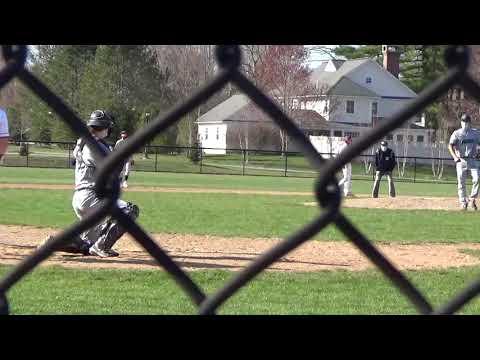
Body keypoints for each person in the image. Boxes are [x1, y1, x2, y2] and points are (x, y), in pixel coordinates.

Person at [40, 110, 140, 257]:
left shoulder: (85, 142)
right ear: (105, 127)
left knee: (87, 245)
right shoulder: (94, 145)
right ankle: (101, 247)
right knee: (130, 210)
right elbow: (111, 169)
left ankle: (55, 243)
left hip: (82, 197)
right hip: (92, 196)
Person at [448, 113, 480, 211]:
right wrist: (454, 157)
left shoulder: (475, 133)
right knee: (461, 182)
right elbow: (450, 145)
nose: (465, 123)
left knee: (477, 178)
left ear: (470, 123)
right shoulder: (457, 133)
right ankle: (463, 202)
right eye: (463, 121)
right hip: (461, 159)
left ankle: (472, 199)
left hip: (473, 159)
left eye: (466, 121)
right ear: (461, 122)